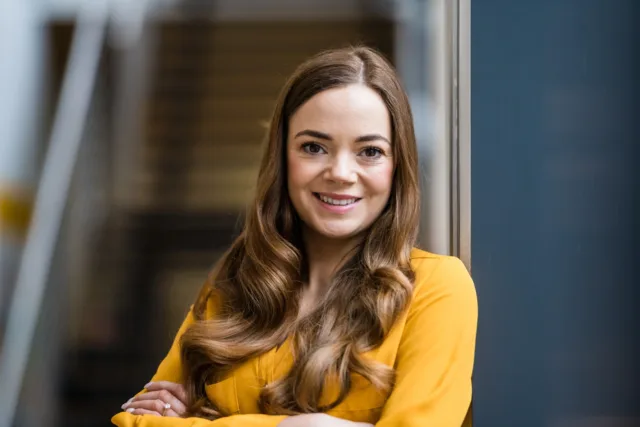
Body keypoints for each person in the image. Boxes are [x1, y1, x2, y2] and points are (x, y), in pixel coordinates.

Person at [112, 46, 477, 427]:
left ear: (396, 165)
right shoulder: (236, 282)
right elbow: (135, 422)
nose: (340, 172)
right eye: (314, 147)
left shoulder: (437, 287)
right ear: (282, 158)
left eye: (369, 151)